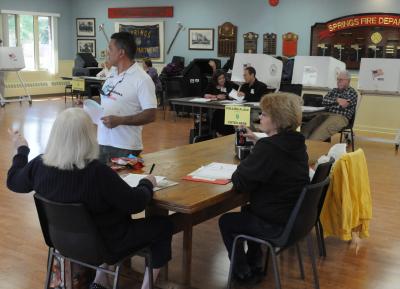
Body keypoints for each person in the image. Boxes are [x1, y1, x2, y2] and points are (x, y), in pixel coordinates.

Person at [7, 108, 173, 289]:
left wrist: (21, 150)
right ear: (88, 136)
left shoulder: (39, 165)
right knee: (164, 226)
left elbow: (14, 182)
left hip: (62, 243)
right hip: (106, 246)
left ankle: (100, 279)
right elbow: (135, 204)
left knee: (104, 215)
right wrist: (146, 184)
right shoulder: (97, 172)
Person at [219, 92, 309, 283]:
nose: (259, 117)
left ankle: (243, 273)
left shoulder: (269, 148)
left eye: (264, 114)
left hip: (276, 222)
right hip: (296, 219)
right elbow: (276, 157)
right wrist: (259, 142)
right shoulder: (296, 142)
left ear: (277, 119)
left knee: (227, 221)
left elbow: (241, 182)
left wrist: (250, 158)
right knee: (248, 209)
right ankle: (256, 262)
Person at [98, 32, 157, 164]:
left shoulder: (142, 79)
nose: (107, 52)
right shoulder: (111, 75)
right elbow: (108, 101)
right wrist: (87, 106)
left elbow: (151, 114)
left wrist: (121, 120)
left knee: (123, 184)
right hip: (102, 142)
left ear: (121, 53)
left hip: (125, 147)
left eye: (110, 49)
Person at [301, 70, 357, 141]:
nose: (338, 81)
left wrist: (331, 103)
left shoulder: (352, 93)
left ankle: (311, 149)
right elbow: (324, 101)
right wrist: (337, 100)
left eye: (341, 79)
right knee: (304, 132)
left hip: (340, 117)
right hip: (326, 114)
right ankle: (300, 148)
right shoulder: (333, 90)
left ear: (348, 80)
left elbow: (343, 105)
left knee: (315, 137)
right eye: (337, 79)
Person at [204, 70, 239, 135]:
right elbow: (205, 95)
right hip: (215, 108)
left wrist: (231, 96)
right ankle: (218, 133)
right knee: (218, 114)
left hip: (228, 108)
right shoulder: (212, 84)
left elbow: (235, 93)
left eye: (223, 78)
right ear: (216, 80)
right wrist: (216, 96)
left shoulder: (228, 84)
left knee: (226, 114)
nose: (222, 80)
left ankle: (227, 133)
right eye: (220, 79)